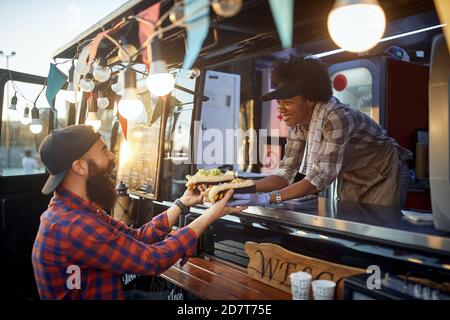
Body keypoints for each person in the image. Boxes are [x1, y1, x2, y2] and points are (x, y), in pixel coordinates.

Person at [32, 125, 245, 300]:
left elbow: (137, 237)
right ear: (80, 167)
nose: (112, 157)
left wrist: (182, 203)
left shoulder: (76, 210)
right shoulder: (75, 225)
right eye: (104, 150)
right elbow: (151, 260)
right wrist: (210, 215)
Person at [229, 55, 412, 208]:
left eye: (288, 102)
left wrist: (267, 198)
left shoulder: (336, 118)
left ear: (310, 99)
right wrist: (243, 189)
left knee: (377, 233)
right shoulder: (298, 126)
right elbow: (285, 175)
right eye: (279, 103)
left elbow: (317, 180)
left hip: (385, 173)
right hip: (352, 175)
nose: (281, 109)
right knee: (352, 228)